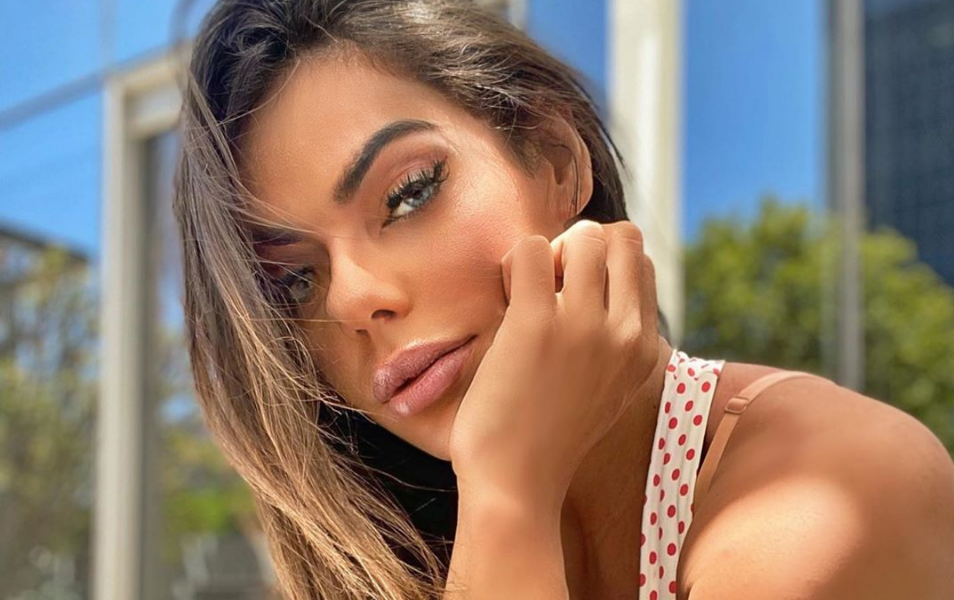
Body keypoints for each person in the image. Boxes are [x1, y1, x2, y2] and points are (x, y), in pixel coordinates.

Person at [172, 1, 954, 598]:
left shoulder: (829, 493)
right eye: (295, 280)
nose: (354, 300)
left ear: (554, 160)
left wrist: (508, 495)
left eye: (409, 194)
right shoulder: (387, 555)